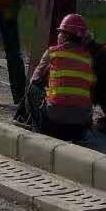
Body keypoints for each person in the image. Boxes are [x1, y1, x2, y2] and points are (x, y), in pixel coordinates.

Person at [27, 12, 96, 143]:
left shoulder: (53, 52)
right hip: (79, 128)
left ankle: (36, 129)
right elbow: (91, 86)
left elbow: (34, 81)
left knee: (31, 89)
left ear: (65, 35)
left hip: (52, 125)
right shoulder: (88, 59)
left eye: (60, 32)